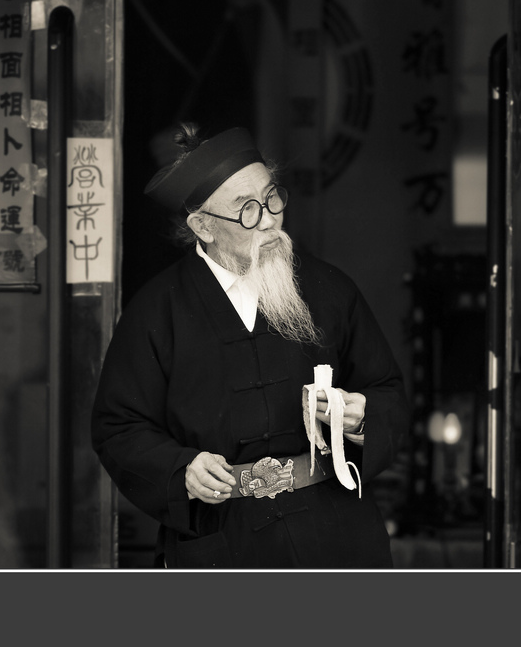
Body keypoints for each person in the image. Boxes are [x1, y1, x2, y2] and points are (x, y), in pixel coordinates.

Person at [91, 124, 409, 568]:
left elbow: (387, 389)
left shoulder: (329, 289)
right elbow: (118, 426)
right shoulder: (155, 312)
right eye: (246, 210)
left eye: (272, 198)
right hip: (223, 540)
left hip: (333, 532)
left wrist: (360, 418)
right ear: (202, 226)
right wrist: (181, 469)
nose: (269, 220)